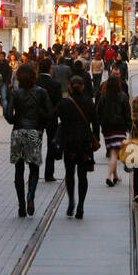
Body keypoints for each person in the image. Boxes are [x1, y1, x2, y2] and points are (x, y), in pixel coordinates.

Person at [4, 63, 51, 217]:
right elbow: (49, 114)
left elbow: (10, 117)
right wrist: (41, 125)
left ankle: (21, 206)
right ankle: (31, 195)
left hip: (18, 131)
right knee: (34, 168)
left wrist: (10, 114)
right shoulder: (42, 92)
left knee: (19, 170)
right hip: (34, 131)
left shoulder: (15, 93)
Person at [57, 76, 102, 219]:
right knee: (83, 175)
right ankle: (81, 206)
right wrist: (96, 138)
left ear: (70, 86)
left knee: (69, 173)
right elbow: (95, 122)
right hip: (84, 142)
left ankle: (71, 202)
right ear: (83, 87)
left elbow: (54, 116)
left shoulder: (64, 103)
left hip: (69, 141)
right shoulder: (89, 102)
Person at [97, 74, 131, 186]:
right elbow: (127, 113)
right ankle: (109, 177)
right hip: (119, 128)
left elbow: (98, 112)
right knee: (114, 153)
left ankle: (115, 176)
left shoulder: (103, 96)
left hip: (107, 129)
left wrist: (100, 125)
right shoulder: (123, 96)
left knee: (113, 151)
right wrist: (130, 127)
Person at [38, 57, 63, 181]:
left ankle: (35, 172)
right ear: (50, 69)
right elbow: (59, 103)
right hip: (51, 118)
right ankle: (49, 173)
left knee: (36, 145)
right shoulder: (55, 84)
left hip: (36, 119)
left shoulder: (34, 82)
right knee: (51, 145)